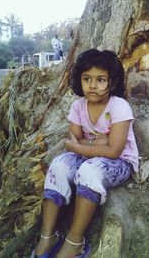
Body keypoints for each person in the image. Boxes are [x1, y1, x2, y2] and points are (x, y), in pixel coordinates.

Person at [31, 49, 139, 258]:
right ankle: (48, 236)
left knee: (89, 171)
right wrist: (97, 141)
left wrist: (79, 146)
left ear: (112, 82)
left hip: (118, 163)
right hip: (88, 157)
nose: (92, 85)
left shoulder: (119, 107)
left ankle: (75, 241)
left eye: (100, 80)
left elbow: (114, 151)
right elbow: (74, 138)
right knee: (59, 165)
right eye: (87, 78)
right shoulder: (78, 106)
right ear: (79, 80)